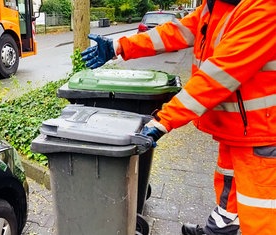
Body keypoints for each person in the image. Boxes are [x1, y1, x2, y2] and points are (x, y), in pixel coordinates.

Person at [81, 0, 276, 234]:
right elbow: (174, 33)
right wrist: (119, 46)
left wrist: (163, 121)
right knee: (228, 192)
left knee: (261, 214)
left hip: (263, 135)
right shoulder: (216, 6)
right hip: (238, 130)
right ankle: (217, 231)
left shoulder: (265, 8)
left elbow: (218, 76)